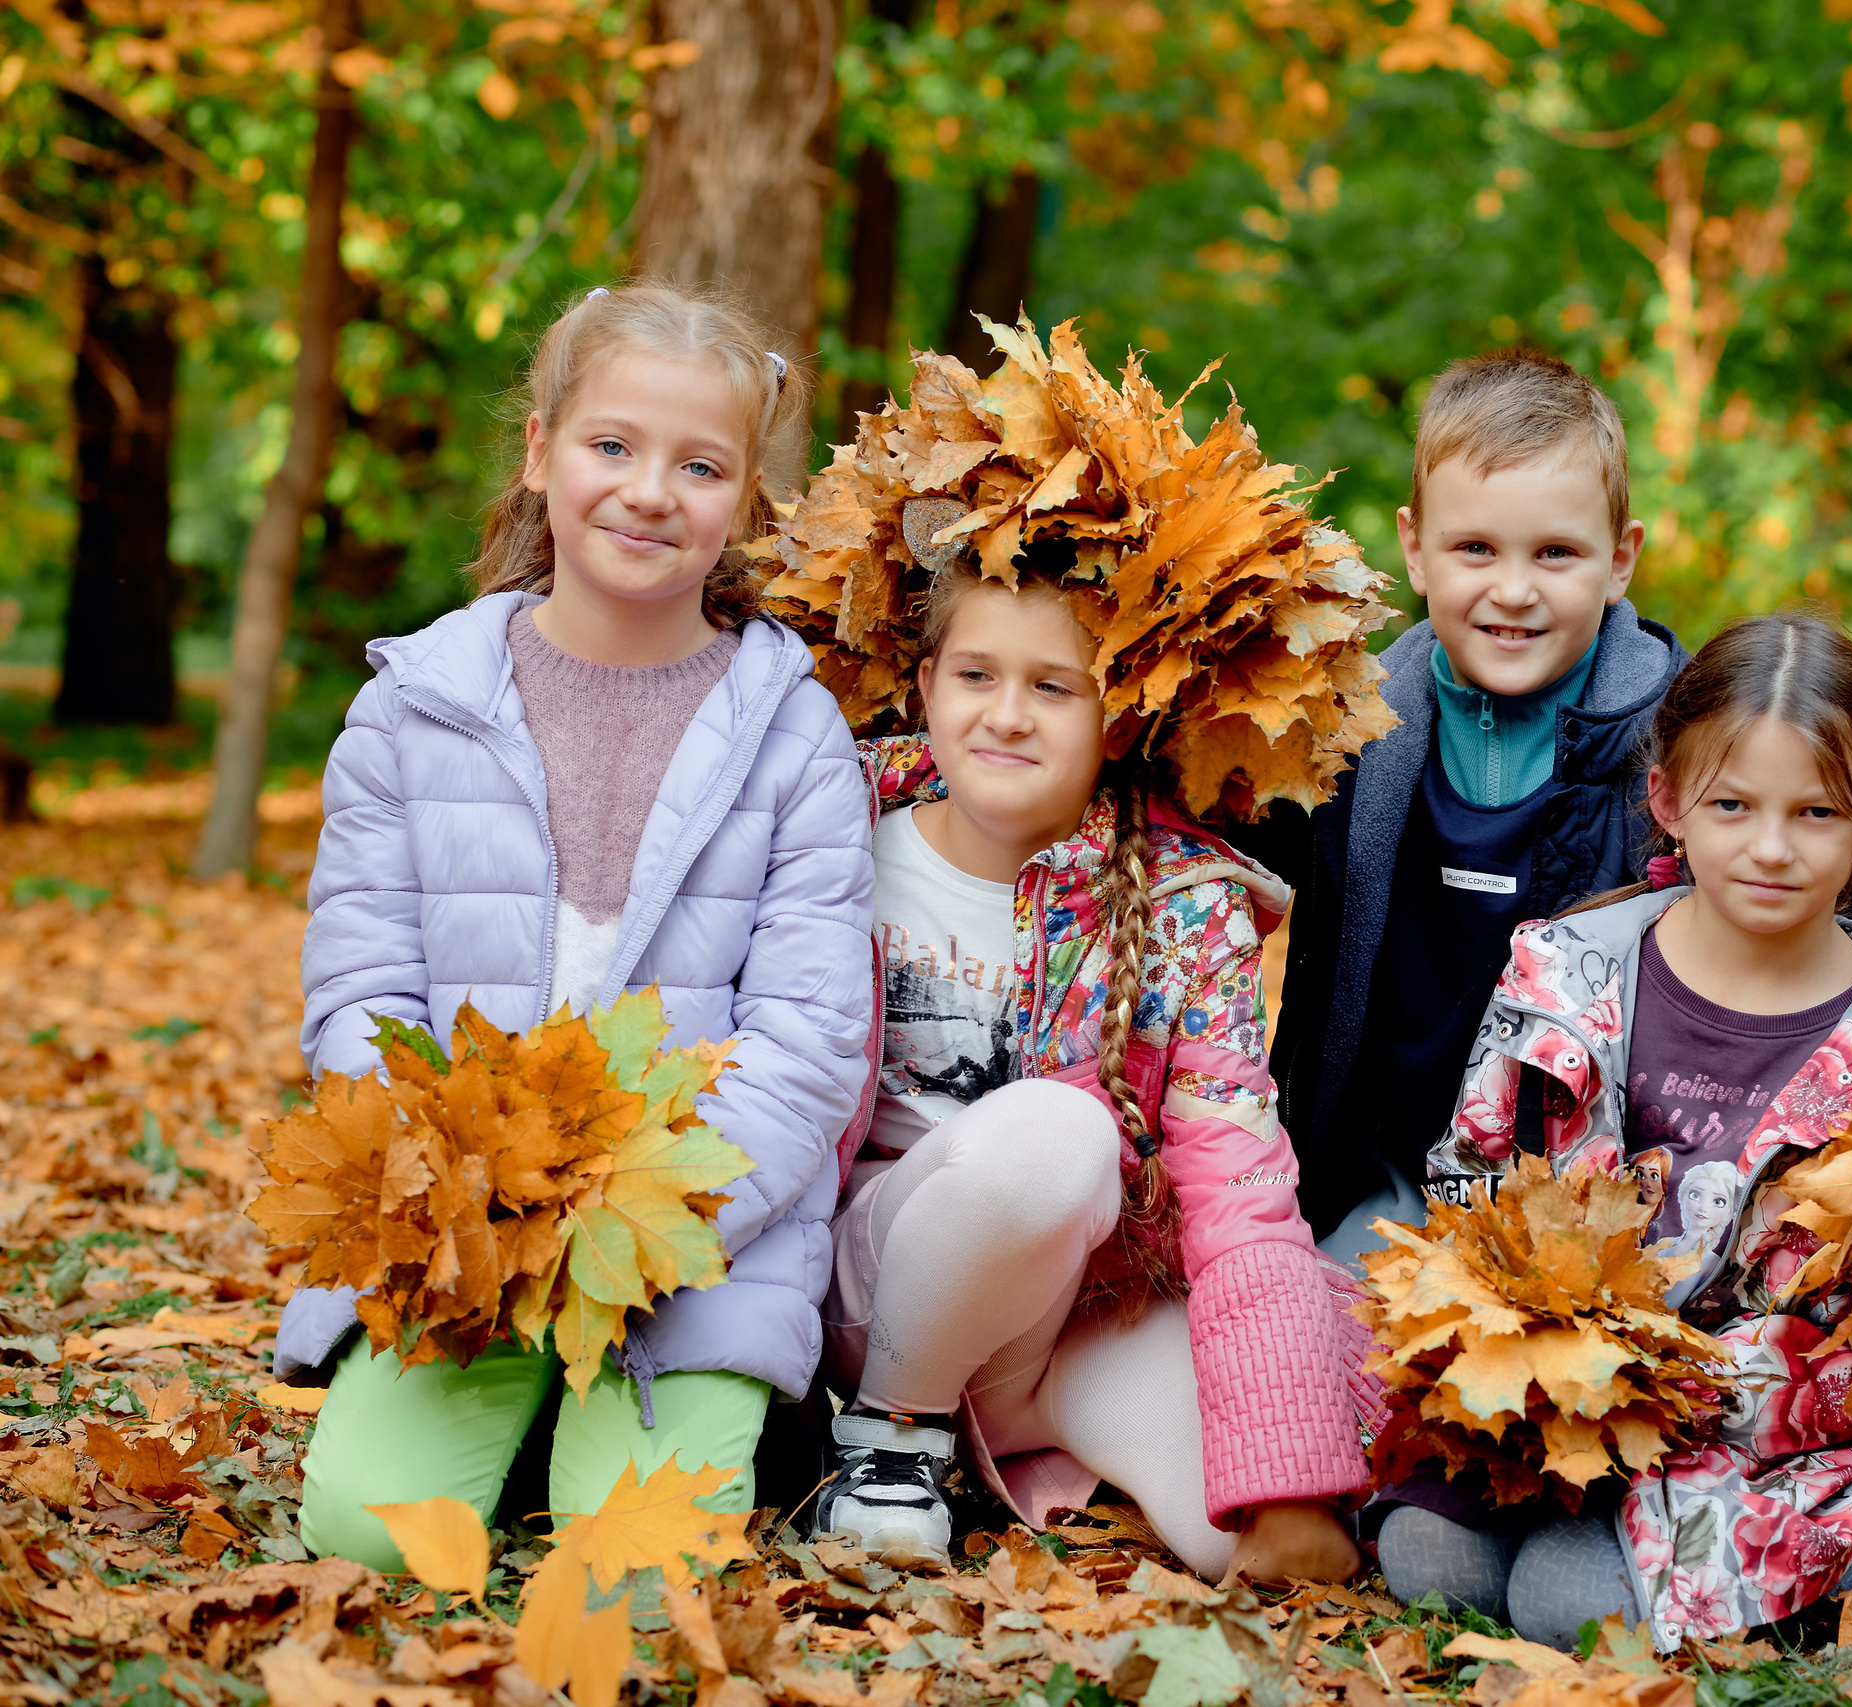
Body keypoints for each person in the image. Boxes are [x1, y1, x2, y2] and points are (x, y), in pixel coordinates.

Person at [273, 282, 874, 1572]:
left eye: (700, 465)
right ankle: (509, 1418)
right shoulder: (411, 709)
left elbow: (810, 1041)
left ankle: (640, 1437)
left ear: (743, 503)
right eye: (611, 446)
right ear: (542, 453)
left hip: (685, 1255)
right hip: (461, 1242)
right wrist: (470, 1206)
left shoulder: (795, 733)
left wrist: (640, 1226)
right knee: (364, 1542)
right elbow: (359, 993)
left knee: (640, 1574)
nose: (650, 491)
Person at [1383, 614, 1852, 1647]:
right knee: (1427, 1564)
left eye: (1815, 813)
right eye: (1731, 805)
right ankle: (1849, 1511)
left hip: (1753, 1428)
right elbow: (1467, 1173)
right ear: (1668, 801)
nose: (1770, 848)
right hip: (1553, 1397)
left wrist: (1669, 1391)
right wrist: (1512, 1336)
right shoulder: (1564, 974)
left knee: (1563, 1608)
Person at [1242, 351, 1852, 1267]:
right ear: (1415, 548)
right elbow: (1209, 841)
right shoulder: (1341, 724)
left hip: (1600, 1201)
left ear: (1620, 559)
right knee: (1332, 1368)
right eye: (1475, 549)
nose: (1513, 589)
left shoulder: (1683, 732)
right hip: (1383, 1174)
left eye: (1556, 552)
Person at [808, 569, 1369, 1584]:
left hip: (1073, 1314)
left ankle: (989, 1440)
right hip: (871, 1285)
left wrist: (1286, 1484)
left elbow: (1238, 1186)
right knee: (1056, 1134)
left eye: (1054, 688)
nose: (1008, 715)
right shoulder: (831, 836)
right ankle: (890, 1442)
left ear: (1117, 721)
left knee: (1255, 1535)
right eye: (976, 674)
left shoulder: (1187, 904)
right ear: (927, 683)